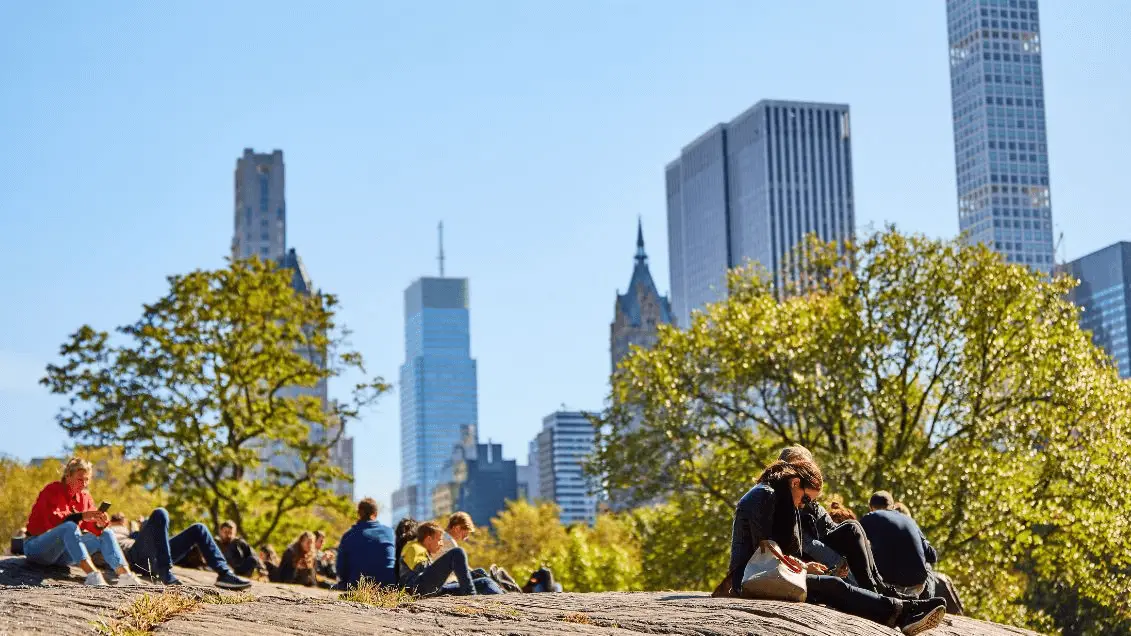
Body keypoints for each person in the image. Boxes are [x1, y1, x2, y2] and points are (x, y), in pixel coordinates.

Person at [728, 458, 947, 635]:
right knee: (832, 586)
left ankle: (902, 608)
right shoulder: (765, 495)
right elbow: (766, 550)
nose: (803, 505)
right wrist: (803, 569)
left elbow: (772, 550)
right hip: (749, 578)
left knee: (832, 585)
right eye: (805, 499)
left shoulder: (772, 494)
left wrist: (805, 566)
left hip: (763, 574)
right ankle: (903, 612)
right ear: (795, 483)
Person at [778, 447, 904, 597]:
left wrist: (844, 558)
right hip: (806, 557)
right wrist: (836, 561)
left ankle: (881, 587)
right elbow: (805, 543)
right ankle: (873, 592)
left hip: (821, 543)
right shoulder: (788, 499)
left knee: (853, 526)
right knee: (851, 529)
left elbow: (830, 526)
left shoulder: (808, 499)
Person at [22, 457, 144, 587]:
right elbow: (56, 520)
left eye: (87, 480)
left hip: (62, 556)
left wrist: (99, 524)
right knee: (69, 526)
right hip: (37, 548)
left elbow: (91, 528)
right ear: (68, 476)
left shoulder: (85, 497)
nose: (84, 484)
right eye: (80, 479)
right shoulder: (52, 490)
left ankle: (125, 575)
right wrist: (82, 516)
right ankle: (93, 575)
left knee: (106, 533)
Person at [128, 507, 252, 589]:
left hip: (156, 557)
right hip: (136, 558)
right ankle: (164, 572)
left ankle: (224, 573)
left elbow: (157, 533)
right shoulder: (119, 532)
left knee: (199, 528)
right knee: (160, 512)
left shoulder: (149, 534)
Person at [399, 522, 501, 596]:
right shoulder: (414, 548)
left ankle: (503, 596)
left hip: (434, 589)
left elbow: (432, 577)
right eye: (439, 540)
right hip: (418, 590)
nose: (441, 544)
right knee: (457, 552)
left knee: (483, 578)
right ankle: (470, 595)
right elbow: (422, 571)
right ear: (429, 539)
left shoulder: (421, 550)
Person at [335, 497, 396, 589]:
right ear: (376, 513)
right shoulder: (390, 532)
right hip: (387, 586)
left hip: (356, 586)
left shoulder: (348, 535)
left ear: (359, 513)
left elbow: (341, 570)